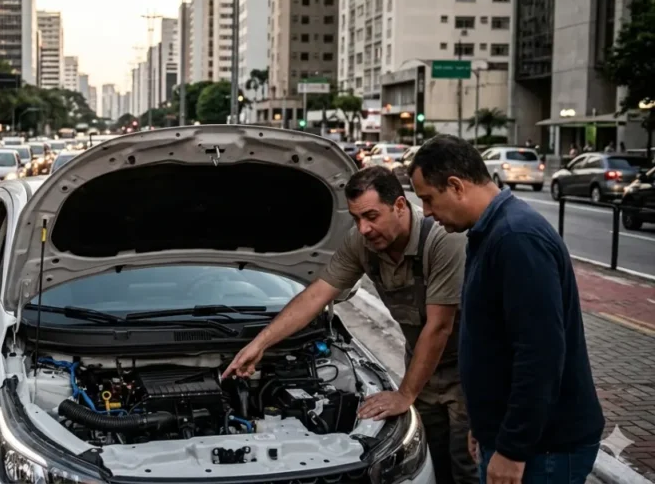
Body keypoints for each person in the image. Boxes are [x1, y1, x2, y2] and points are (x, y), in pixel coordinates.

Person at [222, 166, 476, 484]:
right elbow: (316, 294)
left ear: (399, 205)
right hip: (423, 367)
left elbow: (440, 326)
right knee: (435, 462)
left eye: (371, 216)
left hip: (469, 372)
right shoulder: (362, 242)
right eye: (356, 219)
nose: (364, 229)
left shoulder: (442, 240)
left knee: (467, 467)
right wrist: (259, 345)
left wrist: (405, 393)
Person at [408, 135, 604, 484]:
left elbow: (539, 355)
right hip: (512, 439)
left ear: (455, 186)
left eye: (428, 199)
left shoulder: (516, 239)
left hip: (542, 452)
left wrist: (512, 448)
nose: (426, 212)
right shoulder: (489, 233)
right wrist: (484, 427)